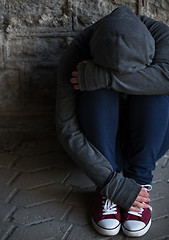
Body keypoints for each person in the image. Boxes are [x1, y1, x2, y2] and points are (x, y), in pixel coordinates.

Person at [56, 6, 169, 237]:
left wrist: (106, 77)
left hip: (148, 142)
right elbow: (66, 127)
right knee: (93, 90)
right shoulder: (79, 50)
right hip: (103, 150)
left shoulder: (161, 36)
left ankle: (139, 182)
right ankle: (108, 189)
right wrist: (110, 181)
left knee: (155, 90)